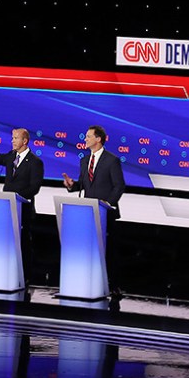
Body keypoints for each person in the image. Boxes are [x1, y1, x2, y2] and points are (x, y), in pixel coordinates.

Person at [0, 122, 45, 284]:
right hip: (6, 209)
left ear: (25, 141)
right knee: (5, 243)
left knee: (23, 244)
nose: (12, 141)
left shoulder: (35, 162)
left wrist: (15, 198)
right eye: (12, 138)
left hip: (23, 210)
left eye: (15, 138)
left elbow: (34, 188)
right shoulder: (10, 156)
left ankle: (25, 277)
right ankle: (5, 273)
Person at [62, 124, 126, 295]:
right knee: (88, 249)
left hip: (106, 213)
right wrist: (71, 186)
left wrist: (107, 204)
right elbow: (84, 184)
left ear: (98, 139)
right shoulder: (84, 160)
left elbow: (119, 186)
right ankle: (88, 282)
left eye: (88, 136)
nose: (85, 139)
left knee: (109, 251)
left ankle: (113, 286)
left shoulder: (112, 160)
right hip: (88, 213)